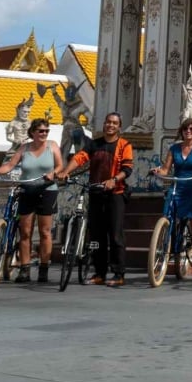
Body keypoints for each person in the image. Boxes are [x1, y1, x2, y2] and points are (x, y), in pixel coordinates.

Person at [56, 111, 134, 285]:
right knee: (96, 236)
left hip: (116, 194)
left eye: (114, 123)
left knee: (115, 234)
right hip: (95, 191)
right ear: (104, 124)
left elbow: (127, 169)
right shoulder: (94, 144)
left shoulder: (124, 145)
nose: (111, 125)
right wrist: (65, 172)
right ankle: (99, 272)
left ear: (119, 127)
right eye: (108, 122)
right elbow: (80, 157)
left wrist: (114, 180)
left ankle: (118, 274)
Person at [0, 117, 63, 283]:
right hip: (27, 189)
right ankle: (25, 269)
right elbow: (10, 165)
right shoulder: (24, 148)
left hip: (47, 189)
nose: (44, 134)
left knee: (45, 231)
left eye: (46, 131)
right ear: (33, 133)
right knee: (25, 232)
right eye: (41, 131)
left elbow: (60, 166)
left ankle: (44, 268)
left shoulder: (52, 146)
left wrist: (53, 173)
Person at [151, 117, 192, 282]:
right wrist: (157, 171)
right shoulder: (174, 149)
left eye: (191, 129)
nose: (188, 132)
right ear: (182, 132)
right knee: (170, 220)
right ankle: (168, 253)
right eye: (185, 129)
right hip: (177, 188)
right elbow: (165, 169)